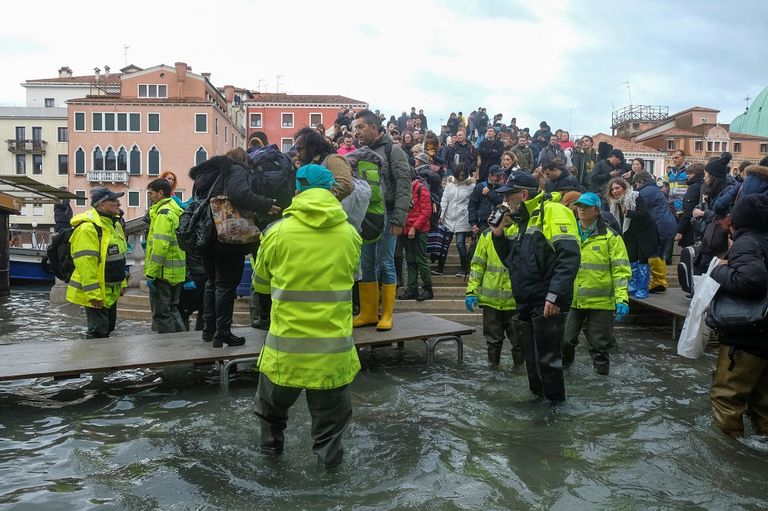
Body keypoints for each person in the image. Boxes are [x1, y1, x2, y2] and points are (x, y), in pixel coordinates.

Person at [253, 163, 362, 469]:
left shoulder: (276, 233)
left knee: (270, 418)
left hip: (284, 353)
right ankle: (331, 478)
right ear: (330, 190)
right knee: (330, 432)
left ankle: (270, 472)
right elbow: (352, 277)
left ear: (297, 190)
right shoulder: (350, 235)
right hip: (332, 355)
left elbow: (260, 284)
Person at [491, 171, 580, 402]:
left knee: (548, 362)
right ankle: (539, 401)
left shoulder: (553, 211)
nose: (505, 201)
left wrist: (555, 295)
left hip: (546, 300)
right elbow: (513, 263)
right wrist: (498, 235)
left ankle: (555, 410)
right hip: (526, 302)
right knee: (533, 361)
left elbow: (569, 257)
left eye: (508, 195)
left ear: (523, 194)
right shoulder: (522, 221)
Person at [189, 154, 278, 347]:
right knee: (225, 285)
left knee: (212, 283)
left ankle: (208, 330)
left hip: (206, 236)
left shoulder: (207, 175)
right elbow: (240, 194)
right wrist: (265, 204)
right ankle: (223, 332)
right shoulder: (235, 169)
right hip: (227, 238)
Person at [708, 193, 768, 437]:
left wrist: (718, 270)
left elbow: (751, 280)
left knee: (726, 399)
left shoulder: (746, 243)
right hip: (763, 335)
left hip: (746, 335)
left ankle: (727, 451)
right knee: (763, 401)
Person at [351, 109, 411, 331]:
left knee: (386, 262)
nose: (356, 132)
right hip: (367, 216)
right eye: (355, 128)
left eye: (360, 127)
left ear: (374, 128)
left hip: (388, 213)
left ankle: (386, 314)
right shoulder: (360, 152)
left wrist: (398, 219)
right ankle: (368, 313)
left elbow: (404, 185)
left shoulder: (393, 151)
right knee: (366, 263)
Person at [562, 192, 631, 375]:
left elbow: (621, 271)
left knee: (599, 346)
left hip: (601, 302)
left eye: (586, 207)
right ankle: (564, 374)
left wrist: (621, 299)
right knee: (565, 340)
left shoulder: (611, 237)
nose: (581, 209)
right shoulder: (568, 234)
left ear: (597, 211)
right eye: (579, 206)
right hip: (573, 299)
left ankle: (601, 380)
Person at [66, 188, 128, 338]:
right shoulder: (87, 228)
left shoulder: (115, 225)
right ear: (101, 205)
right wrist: (93, 294)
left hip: (111, 291)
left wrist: (122, 283)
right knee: (97, 334)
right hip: (97, 292)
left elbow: (120, 257)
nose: (118, 203)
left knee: (108, 329)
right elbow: (86, 265)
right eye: (113, 200)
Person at [466, 220, 523, 368]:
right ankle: (494, 369)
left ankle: (519, 372)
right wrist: (471, 291)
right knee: (492, 341)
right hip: (491, 301)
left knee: (520, 342)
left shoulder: (522, 232)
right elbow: (478, 265)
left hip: (515, 302)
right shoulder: (487, 234)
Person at [144, 178, 186, 334]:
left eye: (151, 193)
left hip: (163, 273)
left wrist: (151, 274)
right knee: (173, 309)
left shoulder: (163, 213)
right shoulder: (175, 210)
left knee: (161, 314)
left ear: (160, 193)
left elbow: (160, 247)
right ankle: (182, 342)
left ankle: (169, 345)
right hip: (175, 271)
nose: (149, 196)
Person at [606, 177, 655, 299]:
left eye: (617, 188)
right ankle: (632, 285)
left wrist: (629, 213)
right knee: (631, 259)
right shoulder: (614, 203)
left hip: (644, 232)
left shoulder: (634, 196)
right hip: (629, 233)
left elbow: (644, 213)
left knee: (642, 260)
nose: (615, 191)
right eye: (612, 189)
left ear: (624, 187)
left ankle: (642, 288)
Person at [691, 153, 740, 273]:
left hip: (721, 242)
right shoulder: (716, 191)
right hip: (712, 238)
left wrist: (703, 214)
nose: (704, 178)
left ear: (714, 177)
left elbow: (727, 218)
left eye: (706, 175)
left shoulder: (728, 192)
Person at [434, 164, 474, 276]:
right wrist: (441, 215)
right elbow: (445, 199)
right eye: (459, 175)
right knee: (444, 244)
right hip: (449, 217)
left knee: (460, 244)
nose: (461, 177)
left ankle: (464, 268)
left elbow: (472, 202)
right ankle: (440, 267)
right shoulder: (450, 183)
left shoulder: (471, 186)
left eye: (463, 175)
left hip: (463, 218)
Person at [399, 172, 434, 301]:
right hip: (407, 230)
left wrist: (414, 227)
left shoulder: (421, 189)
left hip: (420, 231)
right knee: (410, 260)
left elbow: (426, 212)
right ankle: (412, 288)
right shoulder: (407, 190)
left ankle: (427, 288)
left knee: (421, 259)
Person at [674, 163, 705, 248]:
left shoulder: (694, 187)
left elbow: (688, 211)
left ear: (696, 174)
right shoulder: (704, 185)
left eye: (690, 173)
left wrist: (680, 231)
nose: (687, 176)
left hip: (691, 229)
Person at [468, 165, 505, 236]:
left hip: (499, 223)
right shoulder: (480, 187)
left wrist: (489, 194)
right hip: (483, 224)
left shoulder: (503, 188)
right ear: (490, 176)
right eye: (497, 176)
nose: (500, 178)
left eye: (501, 175)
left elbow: (502, 203)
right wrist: (473, 223)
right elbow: (472, 205)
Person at [668, 150, 690, 215]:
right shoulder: (671, 172)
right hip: (671, 207)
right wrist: (662, 186)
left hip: (683, 207)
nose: (674, 160)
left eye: (677, 157)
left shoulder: (689, 170)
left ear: (683, 157)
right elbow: (660, 180)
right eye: (673, 158)